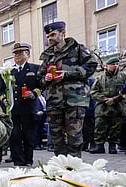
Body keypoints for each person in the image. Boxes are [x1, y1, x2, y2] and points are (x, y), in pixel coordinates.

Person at [37, 21, 98, 157]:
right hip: (54, 102)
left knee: (74, 137)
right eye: (48, 36)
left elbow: (91, 66)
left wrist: (68, 74)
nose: (50, 38)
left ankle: (74, 169)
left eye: (53, 34)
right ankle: (61, 167)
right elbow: (39, 79)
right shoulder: (48, 56)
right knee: (57, 139)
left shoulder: (78, 50)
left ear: (63, 34)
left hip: (74, 100)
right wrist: (45, 79)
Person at [2, 42, 41, 166]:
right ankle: (18, 161)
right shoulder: (9, 71)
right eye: (15, 53)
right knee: (15, 136)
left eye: (20, 53)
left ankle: (28, 160)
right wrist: (4, 99)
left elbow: (41, 86)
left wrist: (34, 94)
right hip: (13, 109)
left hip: (28, 108)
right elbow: (2, 89)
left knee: (28, 136)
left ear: (27, 54)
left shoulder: (35, 69)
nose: (17, 55)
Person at [89, 57, 126, 154]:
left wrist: (115, 99)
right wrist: (104, 99)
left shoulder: (123, 76)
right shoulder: (100, 78)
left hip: (118, 107)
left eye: (116, 64)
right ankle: (99, 146)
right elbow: (93, 92)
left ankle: (112, 146)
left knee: (116, 128)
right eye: (113, 64)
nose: (115, 66)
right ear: (107, 66)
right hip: (102, 107)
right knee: (99, 127)